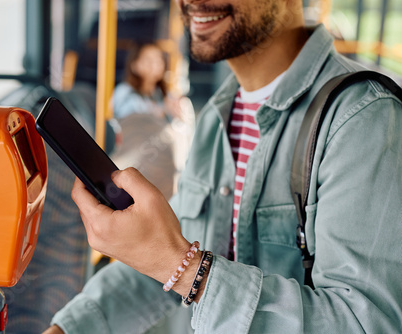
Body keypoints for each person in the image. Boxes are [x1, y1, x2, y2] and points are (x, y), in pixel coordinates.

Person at [43, 0, 402, 333]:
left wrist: (183, 269)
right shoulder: (218, 114)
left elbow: (366, 322)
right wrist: (68, 328)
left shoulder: (363, 119)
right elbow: (163, 257)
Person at [112, 42, 181, 120]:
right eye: (149, 61)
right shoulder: (124, 91)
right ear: (134, 65)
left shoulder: (163, 94)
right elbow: (122, 116)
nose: (155, 66)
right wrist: (161, 111)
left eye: (159, 60)